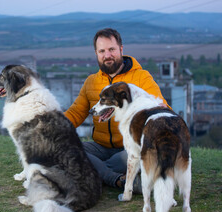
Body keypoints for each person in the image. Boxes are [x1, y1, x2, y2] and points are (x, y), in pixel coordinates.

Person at [64, 28, 169, 192]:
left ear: (121, 49)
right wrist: (51, 126)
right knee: (66, 148)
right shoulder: (91, 82)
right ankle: (119, 179)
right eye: (102, 51)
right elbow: (75, 113)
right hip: (100, 147)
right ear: (96, 53)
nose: (107, 55)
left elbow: (159, 105)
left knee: (128, 158)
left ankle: (92, 171)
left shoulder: (141, 77)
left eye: (111, 49)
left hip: (129, 148)